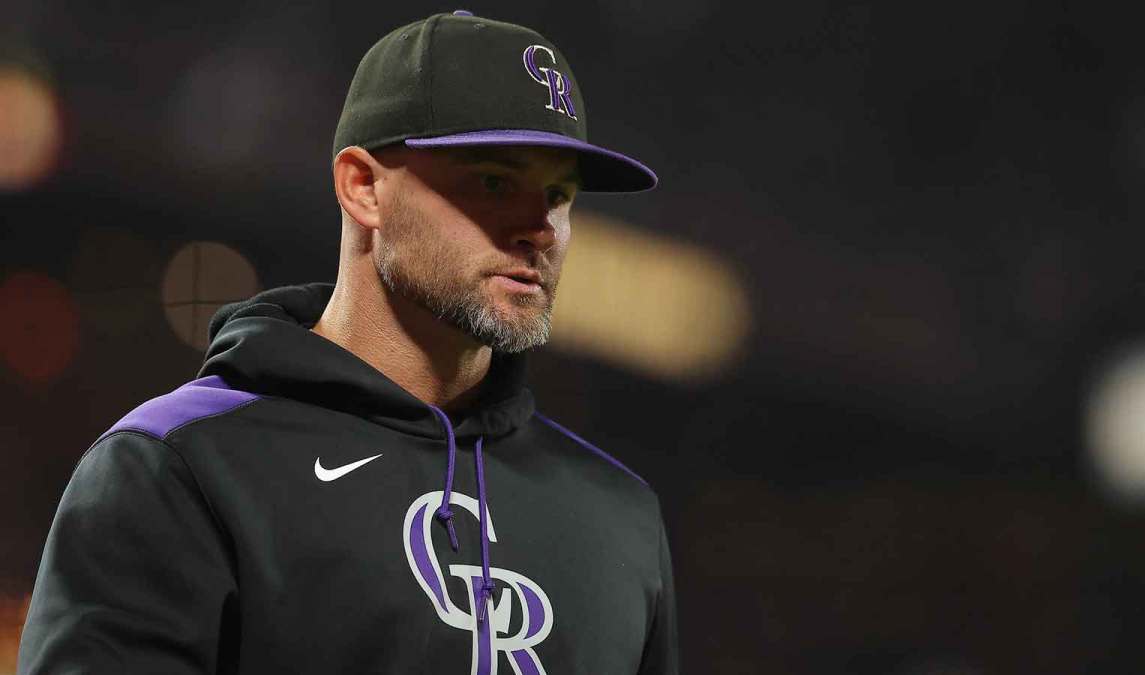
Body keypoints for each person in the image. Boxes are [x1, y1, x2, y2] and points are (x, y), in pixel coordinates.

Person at [18, 11, 677, 675]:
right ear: (363, 187)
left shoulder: (620, 517)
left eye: (559, 194)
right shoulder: (180, 464)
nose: (541, 228)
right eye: (495, 182)